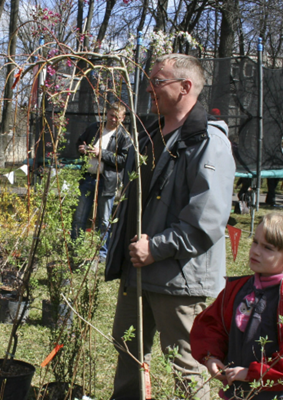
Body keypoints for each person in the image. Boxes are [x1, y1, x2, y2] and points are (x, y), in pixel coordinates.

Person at [105, 54, 236, 399]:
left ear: (185, 87)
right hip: (137, 268)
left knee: (185, 362)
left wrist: (156, 248)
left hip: (178, 275)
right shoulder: (149, 134)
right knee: (128, 348)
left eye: (158, 82)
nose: (150, 88)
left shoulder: (206, 141)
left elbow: (206, 219)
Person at [190, 212, 283, 400]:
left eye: (267, 248)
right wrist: (212, 357)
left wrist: (252, 373)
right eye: (255, 242)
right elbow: (212, 326)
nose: (255, 251)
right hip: (237, 391)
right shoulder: (237, 289)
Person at [70, 102, 131, 262]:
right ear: (106, 114)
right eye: (111, 115)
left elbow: (123, 160)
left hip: (107, 182)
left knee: (104, 220)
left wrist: (101, 153)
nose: (113, 119)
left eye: (117, 117)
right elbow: (79, 142)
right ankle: (75, 249)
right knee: (79, 216)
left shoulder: (124, 136)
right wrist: (82, 149)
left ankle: (103, 254)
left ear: (123, 118)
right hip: (88, 179)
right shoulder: (94, 128)